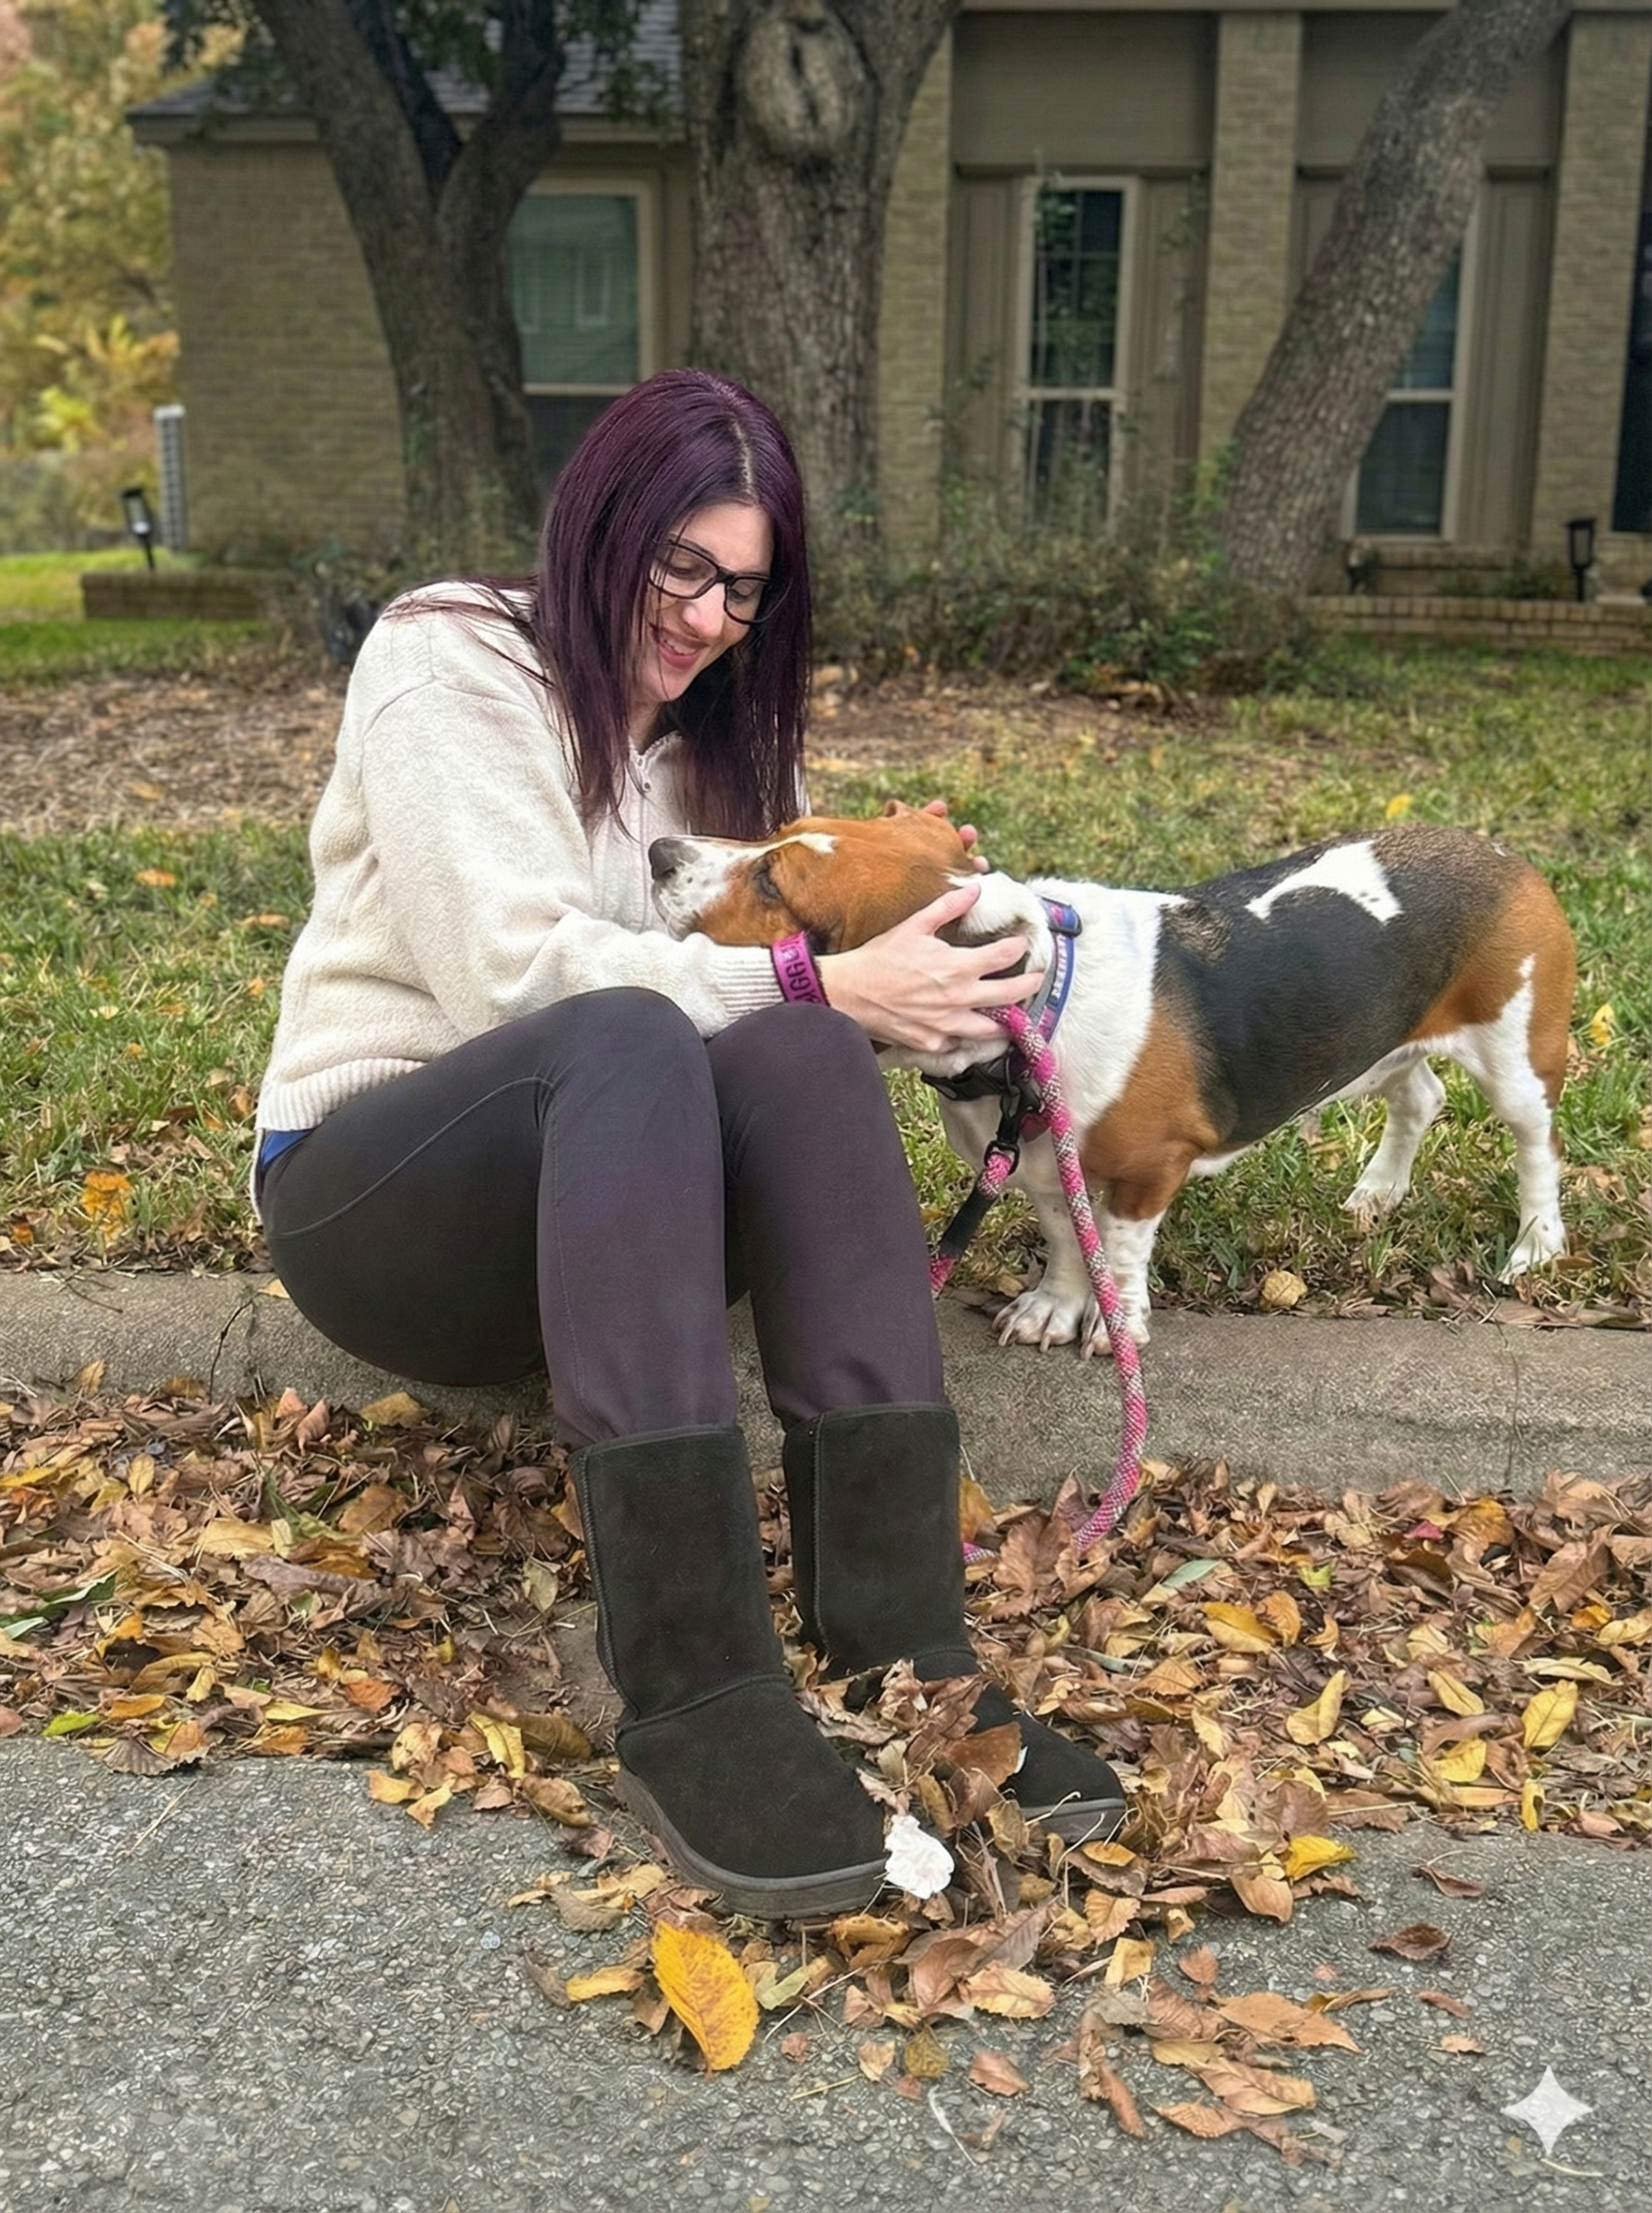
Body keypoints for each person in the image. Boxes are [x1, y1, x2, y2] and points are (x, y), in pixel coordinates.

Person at [254, 368, 1126, 1917]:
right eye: (683, 569)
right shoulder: (449, 659)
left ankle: (904, 1641)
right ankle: (698, 1686)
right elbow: (513, 977)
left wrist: (918, 954)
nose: (712, 619)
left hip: (623, 1226)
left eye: (746, 589)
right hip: (390, 1207)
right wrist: (815, 979)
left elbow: (792, 984)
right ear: (601, 523)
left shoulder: (724, 742)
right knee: (640, 1023)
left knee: (798, 1042)